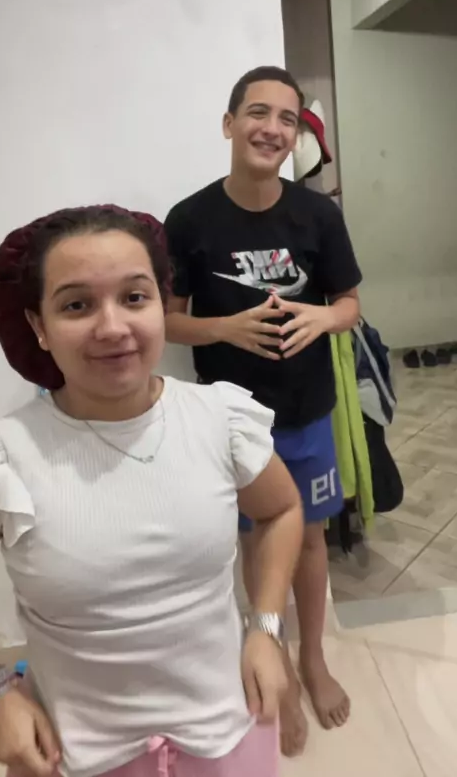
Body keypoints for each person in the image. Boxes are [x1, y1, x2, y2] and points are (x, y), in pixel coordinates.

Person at [0, 205, 304, 777]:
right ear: (38, 326)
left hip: (229, 733)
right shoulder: (5, 456)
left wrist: (267, 627)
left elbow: (281, 510)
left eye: (134, 297)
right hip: (72, 756)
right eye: (76, 305)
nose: (112, 327)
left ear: (161, 304)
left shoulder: (218, 419)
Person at [164, 66, 362, 756]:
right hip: (231, 420)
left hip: (306, 410)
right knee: (255, 539)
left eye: (287, 118)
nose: (272, 128)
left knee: (308, 538)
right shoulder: (189, 220)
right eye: (257, 112)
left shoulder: (318, 215)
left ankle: (313, 657)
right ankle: (269, 658)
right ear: (229, 124)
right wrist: (227, 329)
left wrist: (321, 319)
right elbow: (166, 321)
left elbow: (349, 304)